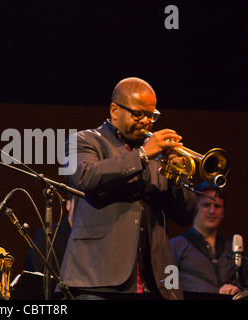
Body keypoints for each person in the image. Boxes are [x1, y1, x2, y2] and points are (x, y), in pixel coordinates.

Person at [59, 77, 197, 300]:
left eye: (151, 115)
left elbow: (186, 216)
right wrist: (142, 155)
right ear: (115, 111)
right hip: (97, 281)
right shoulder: (84, 141)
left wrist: (177, 180)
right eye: (138, 114)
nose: (146, 121)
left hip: (156, 284)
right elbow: (85, 178)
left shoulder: (158, 156)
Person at [169, 182, 242, 296]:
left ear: (223, 212)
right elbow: (169, 289)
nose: (212, 211)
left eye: (217, 206)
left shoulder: (232, 247)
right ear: (195, 207)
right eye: (206, 205)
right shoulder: (175, 246)